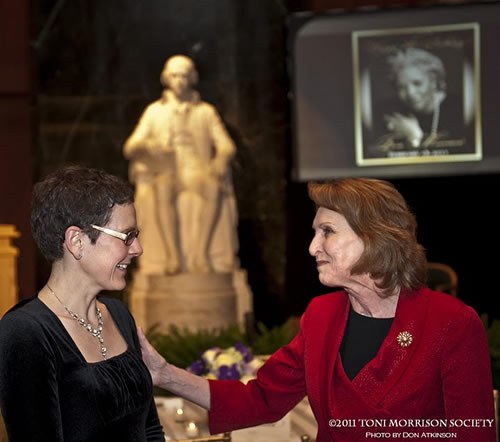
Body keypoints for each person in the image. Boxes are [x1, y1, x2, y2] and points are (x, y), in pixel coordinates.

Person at [137, 177, 496, 442]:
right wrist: (165, 374)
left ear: (374, 237)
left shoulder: (452, 323)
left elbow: (474, 434)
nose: (312, 247)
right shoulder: (321, 316)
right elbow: (259, 399)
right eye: (315, 232)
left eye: (327, 231)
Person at [0, 166, 165, 441]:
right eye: (127, 236)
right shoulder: (24, 333)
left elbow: (150, 430)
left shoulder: (119, 314)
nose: (137, 249)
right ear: (77, 241)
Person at [123, 54, 238, 275]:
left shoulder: (206, 112)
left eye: (185, 76)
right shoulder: (154, 112)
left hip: (197, 171)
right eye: (175, 76)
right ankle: (172, 256)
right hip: (168, 172)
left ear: (193, 78)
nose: (180, 81)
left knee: (213, 187)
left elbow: (226, 145)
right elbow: (130, 147)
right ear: (166, 78)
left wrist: (220, 160)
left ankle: (201, 254)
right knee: (163, 189)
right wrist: (149, 147)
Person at [372, 47, 465, 152]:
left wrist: (414, 135)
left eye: (417, 83)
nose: (410, 93)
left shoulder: (459, 108)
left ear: (433, 81)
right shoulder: (385, 111)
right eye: (401, 87)